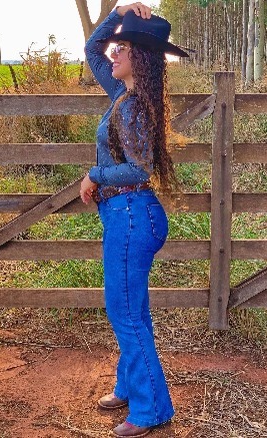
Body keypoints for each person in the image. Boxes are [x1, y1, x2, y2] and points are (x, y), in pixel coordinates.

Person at [79, 2, 188, 437]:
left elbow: (140, 169)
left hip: (130, 215)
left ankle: (151, 409)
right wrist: (119, 10)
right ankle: (129, 385)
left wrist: (94, 174)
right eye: (116, 46)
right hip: (127, 215)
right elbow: (91, 49)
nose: (112, 53)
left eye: (121, 47)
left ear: (140, 56)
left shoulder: (135, 105)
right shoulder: (125, 95)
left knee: (124, 312)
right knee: (132, 310)